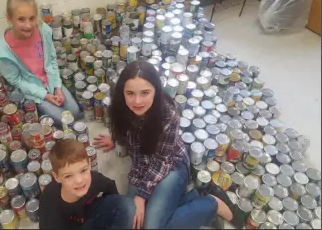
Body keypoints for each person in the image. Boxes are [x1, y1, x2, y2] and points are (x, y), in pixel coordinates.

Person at [93, 60, 244, 229]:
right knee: (133, 222)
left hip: (170, 166)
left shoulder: (168, 113)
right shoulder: (119, 108)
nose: (137, 101)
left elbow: (161, 161)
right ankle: (194, 197)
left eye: (145, 93)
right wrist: (115, 139)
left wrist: (142, 195)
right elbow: (125, 134)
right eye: (130, 93)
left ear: (156, 91)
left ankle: (212, 203)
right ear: (122, 93)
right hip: (142, 167)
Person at [0, 0, 81, 127]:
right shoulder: (3, 50)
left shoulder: (43, 30)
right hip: (33, 90)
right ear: (9, 18)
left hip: (51, 82)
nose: (28, 25)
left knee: (75, 113)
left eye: (32, 18)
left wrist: (57, 87)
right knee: (62, 121)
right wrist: (44, 95)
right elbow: (16, 80)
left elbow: (52, 60)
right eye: (21, 19)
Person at [39, 139, 135, 229]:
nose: (79, 180)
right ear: (57, 177)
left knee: (128, 205)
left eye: (83, 170)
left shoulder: (95, 179)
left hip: (93, 213)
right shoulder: (50, 207)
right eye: (68, 176)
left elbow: (110, 186)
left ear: (89, 165)